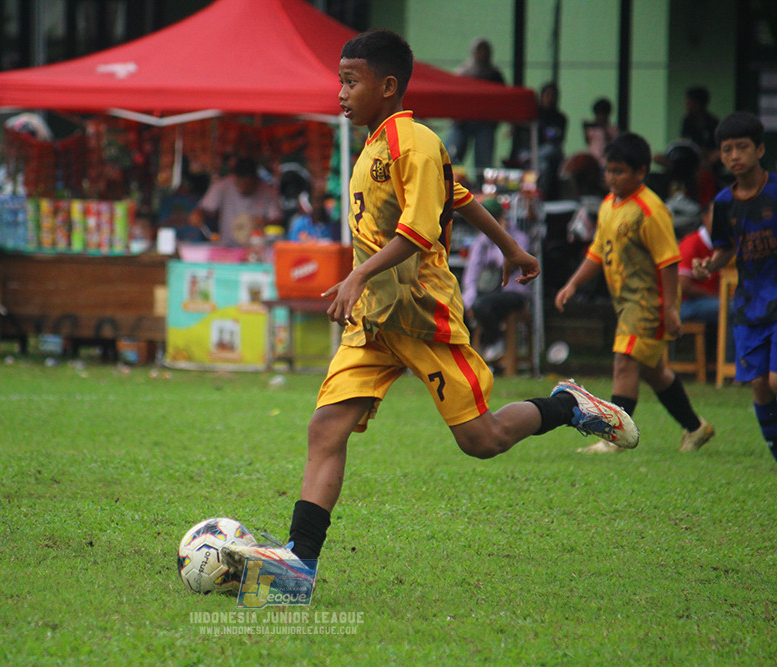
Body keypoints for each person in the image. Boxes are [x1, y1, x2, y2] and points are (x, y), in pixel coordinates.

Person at [221, 29, 639, 579]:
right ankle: (299, 567)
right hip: (373, 321)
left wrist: (359, 273)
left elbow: (419, 229)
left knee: (481, 441)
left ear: (388, 85)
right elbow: (458, 195)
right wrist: (510, 246)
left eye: (352, 81)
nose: (340, 93)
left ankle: (566, 406)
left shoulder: (412, 142)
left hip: (423, 316)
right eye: (339, 81)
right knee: (325, 428)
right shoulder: (373, 143)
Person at [555, 132, 715, 454]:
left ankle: (613, 437)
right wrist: (573, 283)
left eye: (619, 171)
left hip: (648, 302)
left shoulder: (651, 210)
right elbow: (598, 251)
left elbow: (669, 262)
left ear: (641, 172)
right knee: (653, 372)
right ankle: (697, 428)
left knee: (624, 361)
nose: (611, 178)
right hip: (625, 302)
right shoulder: (608, 205)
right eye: (608, 171)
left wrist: (669, 308)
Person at [692, 112, 777, 462]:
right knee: (758, 383)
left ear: (759, 149)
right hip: (749, 305)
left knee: (774, 382)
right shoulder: (724, 203)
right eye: (727, 150)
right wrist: (709, 264)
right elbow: (726, 246)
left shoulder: (775, 192)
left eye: (742, 147)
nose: (734, 156)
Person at [462, 198, 531, 363]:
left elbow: (506, 262)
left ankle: (495, 342)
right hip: (488, 292)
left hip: (513, 292)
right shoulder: (481, 241)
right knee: (465, 305)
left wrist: (501, 236)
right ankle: (467, 354)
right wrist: (468, 301)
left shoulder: (520, 238)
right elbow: (471, 273)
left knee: (483, 305)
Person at [188, 157, 281, 247]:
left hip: (257, 249)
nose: (244, 188)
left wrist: (266, 222)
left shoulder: (268, 192)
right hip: (227, 247)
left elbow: (277, 219)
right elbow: (205, 208)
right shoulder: (223, 186)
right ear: (235, 178)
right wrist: (198, 214)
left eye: (248, 184)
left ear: (255, 179)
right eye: (241, 183)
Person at [445, 37, 505, 173]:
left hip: (485, 122)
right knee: (451, 155)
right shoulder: (463, 73)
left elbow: (502, 99)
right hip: (462, 122)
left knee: (484, 160)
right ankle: (449, 183)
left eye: (485, 50)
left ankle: (482, 185)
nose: (482, 54)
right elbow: (453, 97)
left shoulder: (495, 75)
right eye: (479, 50)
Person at [583, 98, 618, 164]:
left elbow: (612, 142)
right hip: (593, 160)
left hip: (606, 161)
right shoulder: (592, 129)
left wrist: (603, 128)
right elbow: (588, 142)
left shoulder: (613, 129)